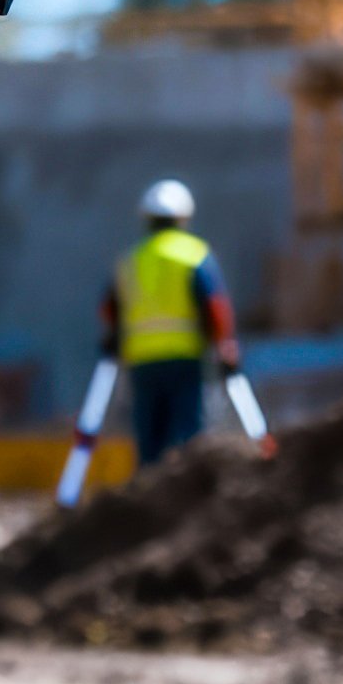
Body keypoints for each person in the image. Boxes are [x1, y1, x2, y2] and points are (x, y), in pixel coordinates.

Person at [98, 179, 239, 469]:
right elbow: (215, 305)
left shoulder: (132, 260)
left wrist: (114, 336)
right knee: (188, 436)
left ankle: (149, 496)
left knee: (149, 438)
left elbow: (110, 307)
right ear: (183, 218)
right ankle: (183, 497)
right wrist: (224, 343)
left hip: (142, 360)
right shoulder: (195, 254)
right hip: (184, 357)